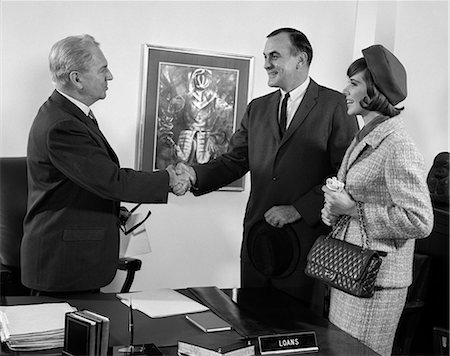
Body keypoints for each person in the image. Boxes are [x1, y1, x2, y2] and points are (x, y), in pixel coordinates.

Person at [176, 28, 358, 310]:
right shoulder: (258, 108)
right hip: (258, 241)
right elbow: (235, 161)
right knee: (252, 320)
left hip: (306, 242)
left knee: (297, 334)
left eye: (274, 56)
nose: (266, 64)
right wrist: (194, 175)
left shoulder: (335, 105)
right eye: (265, 56)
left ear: (301, 59)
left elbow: (344, 174)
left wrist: (298, 209)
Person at [22, 34, 189, 294]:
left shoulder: (71, 115)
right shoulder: (62, 125)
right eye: (103, 69)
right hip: (63, 267)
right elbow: (112, 181)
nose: (109, 76)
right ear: (77, 79)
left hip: (75, 260)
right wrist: (168, 179)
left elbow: (87, 182)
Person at [321, 44, 433, 356]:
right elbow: (349, 203)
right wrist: (334, 205)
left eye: (354, 84)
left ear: (376, 90)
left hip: (376, 283)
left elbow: (420, 220)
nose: (345, 90)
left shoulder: (398, 145)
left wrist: (352, 208)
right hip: (348, 270)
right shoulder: (364, 137)